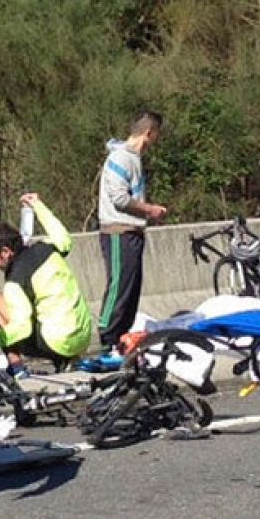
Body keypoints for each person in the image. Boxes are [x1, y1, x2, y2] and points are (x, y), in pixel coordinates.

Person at [0, 193, 92, 370]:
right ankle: (68, 359)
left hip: (56, 343)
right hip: (83, 337)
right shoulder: (47, 249)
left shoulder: (15, 281)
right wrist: (37, 205)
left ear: (6, 252)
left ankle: (17, 367)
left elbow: (23, 328)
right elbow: (64, 239)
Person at [96, 111, 167, 353]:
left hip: (134, 232)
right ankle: (107, 337)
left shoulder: (134, 158)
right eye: (156, 135)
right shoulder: (121, 158)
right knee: (119, 286)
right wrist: (149, 209)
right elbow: (119, 198)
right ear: (149, 133)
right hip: (118, 232)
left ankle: (121, 338)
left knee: (132, 289)